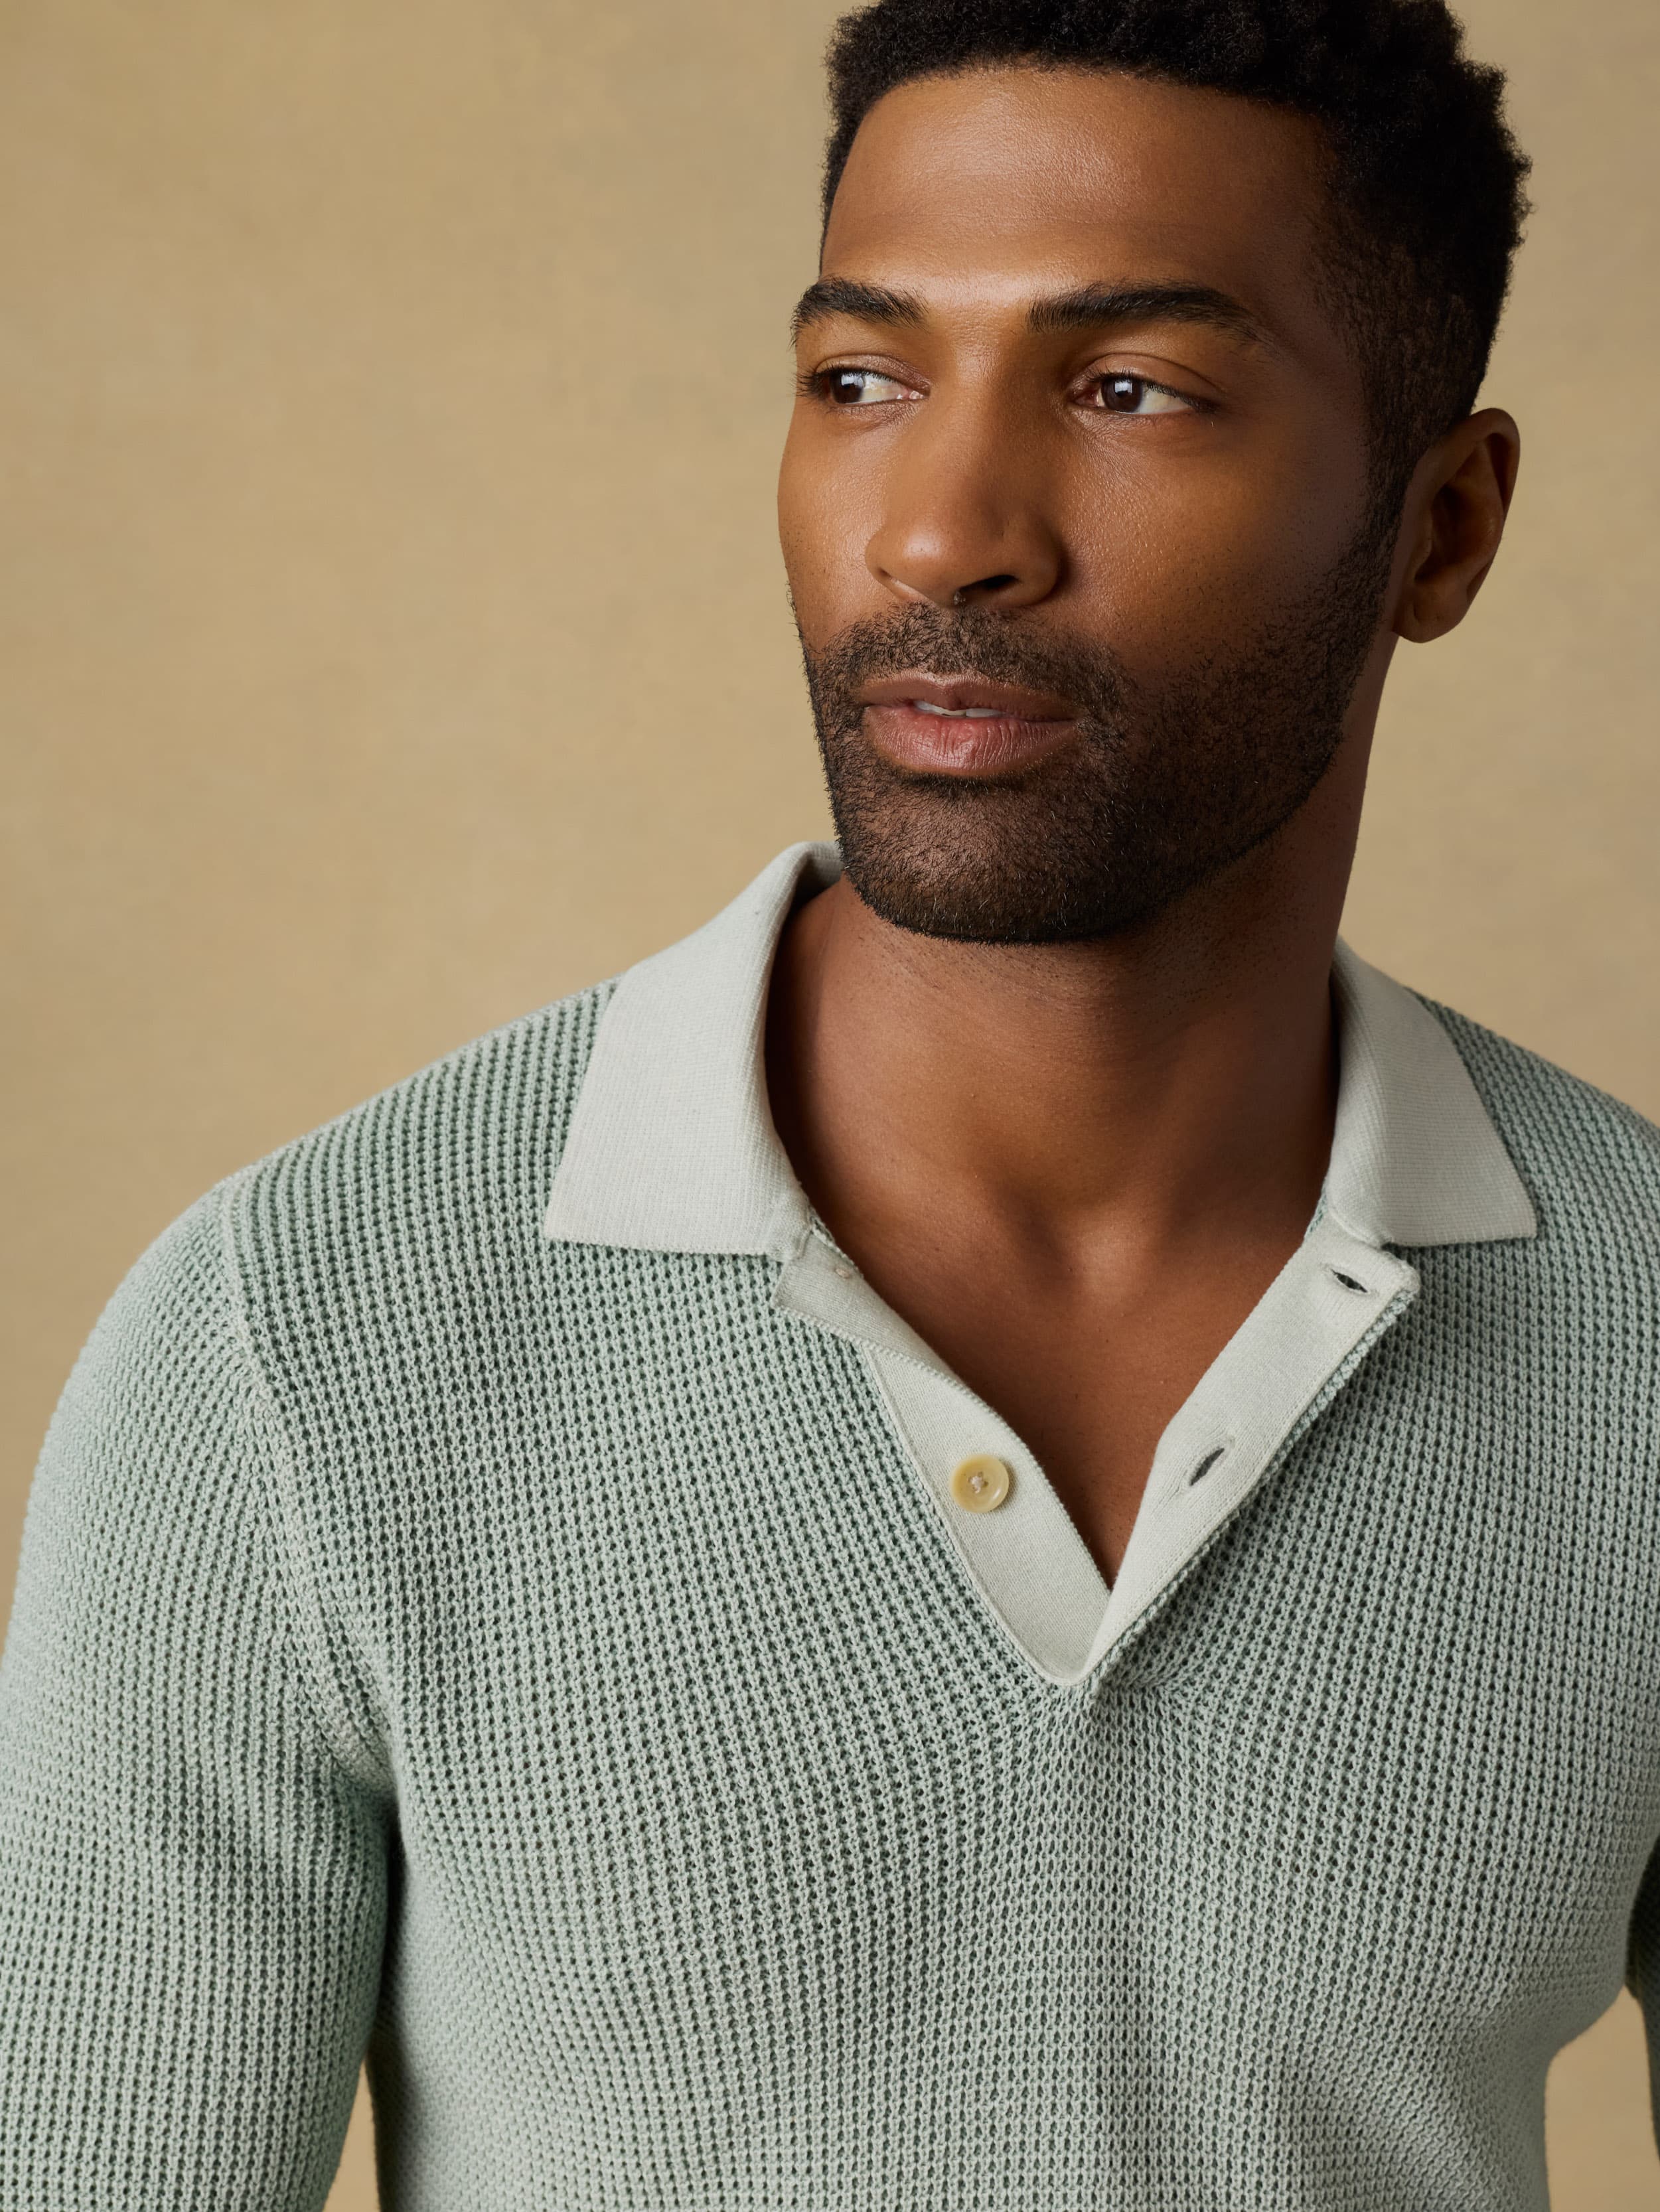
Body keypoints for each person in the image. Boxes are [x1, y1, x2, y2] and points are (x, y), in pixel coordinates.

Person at [3, 1, 1656, 2205]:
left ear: (1441, 530)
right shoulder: (297, 1345)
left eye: (1130, 390)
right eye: (862, 380)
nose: (940, 534)